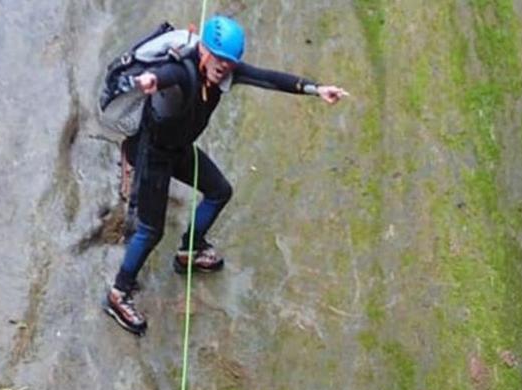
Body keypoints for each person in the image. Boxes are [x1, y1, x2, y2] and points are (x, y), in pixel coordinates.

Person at [102, 15, 349, 335]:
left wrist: (317, 89)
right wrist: (149, 81)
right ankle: (118, 294)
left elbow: (270, 78)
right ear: (203, 49)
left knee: (219, 191)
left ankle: (188, 250)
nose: (223, 67)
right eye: (218, 59)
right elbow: (164, 75)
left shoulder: (224, 73)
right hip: (155, 155)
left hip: (180, 149)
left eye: (229, 63)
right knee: (151, 230)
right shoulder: (182, 71)